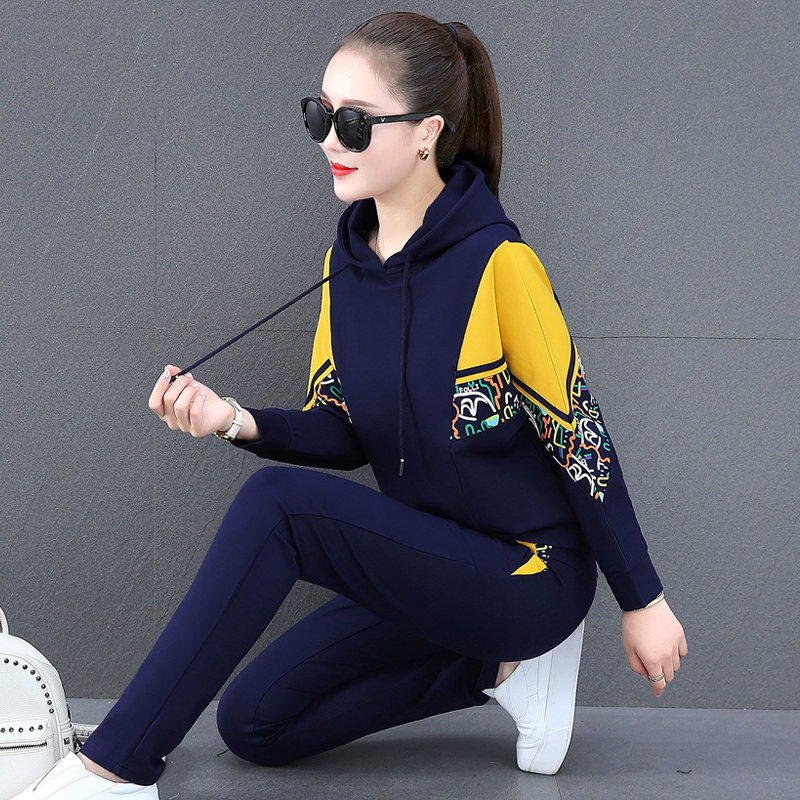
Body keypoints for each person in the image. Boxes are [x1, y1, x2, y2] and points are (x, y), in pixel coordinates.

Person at [13, 12, 687, 800]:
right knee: (254, 722)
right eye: (320, 115)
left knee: (279, 504)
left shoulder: (502, 266)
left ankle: (115, 770)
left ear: (427, 132)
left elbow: (582, 440)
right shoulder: (346, 261)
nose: (331, 139)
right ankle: (500, 670)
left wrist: (643, 600)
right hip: (429, 562)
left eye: (356, 122)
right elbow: (341, 428)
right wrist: (232, 419)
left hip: (529, 573)